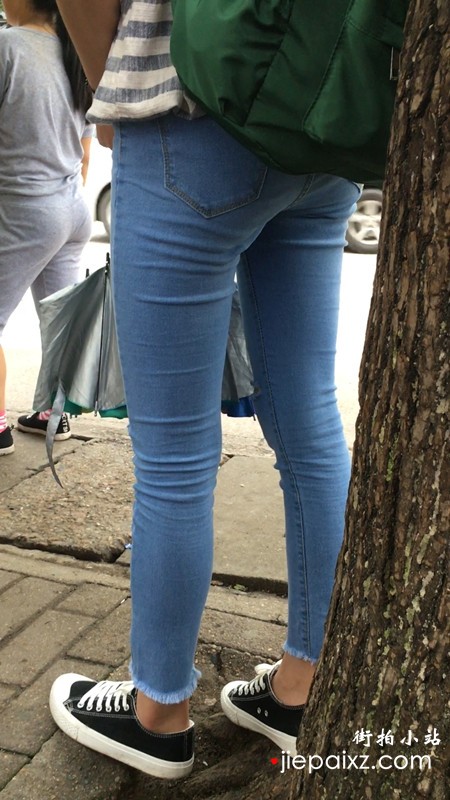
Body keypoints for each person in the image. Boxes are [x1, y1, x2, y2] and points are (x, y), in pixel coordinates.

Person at [49, 0, 361, 780]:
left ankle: (158, 714)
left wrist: (110, 85)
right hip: (321, 125)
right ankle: (304, 686)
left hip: (187, 112)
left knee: (174, 457)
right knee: (310, 418)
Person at [0, 0, 93, 456]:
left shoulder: (8, 47)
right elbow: (86, 153)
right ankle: (52, 415)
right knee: (59, 320)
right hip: (72, 207)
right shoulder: (77, 52)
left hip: (24, 207)